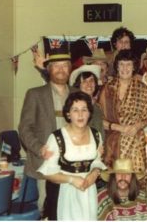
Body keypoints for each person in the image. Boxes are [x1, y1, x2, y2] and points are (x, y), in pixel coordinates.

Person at [18, 45, 76, 220]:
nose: (60, 70)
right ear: (49, 69)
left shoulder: (78, 95)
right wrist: (39, 148)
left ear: (70, 69)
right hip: (45, 165)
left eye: (65, 65)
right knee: (47, 211)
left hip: (72, 167)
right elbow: (24, 128)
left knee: (69, 211)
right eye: (56, 66)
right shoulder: (34, 94)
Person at [37, 91, 106, 220]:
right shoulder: (56, 138)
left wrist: (94, 174)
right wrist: (72, 179)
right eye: (75, 110)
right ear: (68, 114)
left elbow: (97, 160)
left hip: (88, 191)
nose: (80, 115)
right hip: (64, 191)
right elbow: (47, 173)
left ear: (89, 113)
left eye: (84, 110)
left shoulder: (96, 135)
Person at [98, 49, 147, 178]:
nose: (125, 68)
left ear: (134, 67)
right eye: (121, 64)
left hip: (135, 141)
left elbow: (146, 117)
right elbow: (99, 119)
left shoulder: (142, 89)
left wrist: (136, 127)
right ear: (117, 66)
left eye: (128, 64)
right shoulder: (108, 88)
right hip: (112, 143)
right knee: (115, 181)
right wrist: (118, 127)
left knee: (134, 181)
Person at [69, 64, 105, 139]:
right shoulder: (74, 106)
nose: (89, 84)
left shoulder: (98, 106)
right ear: (79, 85)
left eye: (91, 80)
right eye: (84, 81)